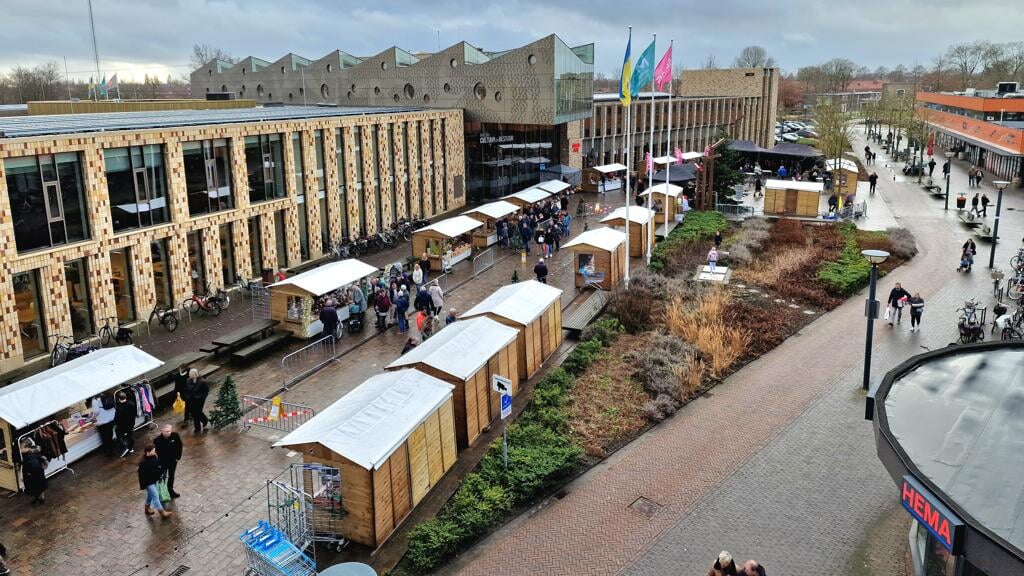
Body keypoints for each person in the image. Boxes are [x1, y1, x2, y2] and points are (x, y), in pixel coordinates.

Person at [138, 444, 173, 519]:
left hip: (154, 480)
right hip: (148, 482)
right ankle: (162, 512)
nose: (155, 452)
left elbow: (158, 467)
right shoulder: (143, 463)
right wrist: (144, 485)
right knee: (155, 495)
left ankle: (147, 508)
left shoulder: (154, 457)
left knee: (150, 495)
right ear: (148, 452)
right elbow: (141, 476)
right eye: (153, 451)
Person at [153, 424, 182, 499]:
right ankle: (160, 491)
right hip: (163, 462)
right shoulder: (157, 440)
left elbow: (179, 446)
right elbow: (157, 452)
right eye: (167, 431)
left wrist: (178, 457)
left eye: (170, 431)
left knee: (171, 476)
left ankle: (170, 490)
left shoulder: (175, 436)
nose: (169, 433)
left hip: (173, 461)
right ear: (162, 431)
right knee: (161, 476)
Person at [20, 439, 48, 506]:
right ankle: (38, 498)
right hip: (33, 472)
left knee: (38, 485)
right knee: (35, 486)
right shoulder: (29, 453)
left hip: (35, 472)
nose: (20, 448)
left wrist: (29, 472)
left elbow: (37, 464)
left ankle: (41, 499)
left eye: (22, 447)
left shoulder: (31, 454)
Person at [184, 368, 209, 434]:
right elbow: (186, 390)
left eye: (191, 374)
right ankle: (204, 420)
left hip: (199, 400)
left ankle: (197, 428)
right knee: (194, 412)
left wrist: (202, 397)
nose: (190, 375)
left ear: (196, 374)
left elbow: (206, 391)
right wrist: (187, 397)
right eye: (189, 374)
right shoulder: (188, 380)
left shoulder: (202, 381)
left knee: (196, 413)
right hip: (190, 400)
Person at [115, 391, 138, 457]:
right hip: (131, 423)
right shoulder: (132, 403)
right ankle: (131, 448)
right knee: (130, 435)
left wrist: (115, 422)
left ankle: (124, 447)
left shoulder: (119, 407)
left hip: (122, 425)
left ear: (119, 399)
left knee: (119, 434)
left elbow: (117, 417)